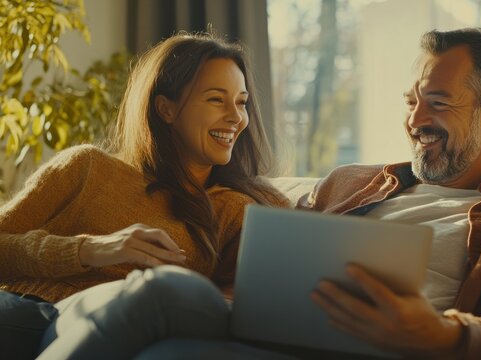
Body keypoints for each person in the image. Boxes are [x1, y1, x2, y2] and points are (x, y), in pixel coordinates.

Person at [298, 28, 481, 359]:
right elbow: (268, 261)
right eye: (411, 102)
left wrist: (444, 335)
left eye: (438, 102)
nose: (415, 119)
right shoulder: (345, 183)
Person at [0, 31, 288, 359]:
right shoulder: (87, 167)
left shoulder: (237, 205)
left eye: (241, 102)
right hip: (24, 308)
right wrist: (88, 249)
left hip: (109, 330)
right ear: (166, 109)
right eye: (215, 99)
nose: (237, 117)